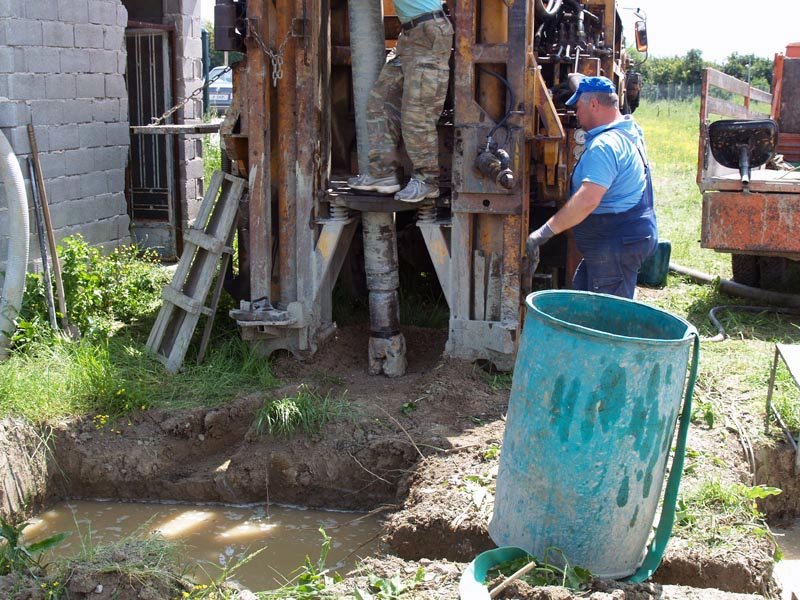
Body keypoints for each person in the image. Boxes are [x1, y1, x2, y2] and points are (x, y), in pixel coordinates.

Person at [526, 75, 657, 299]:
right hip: (620, 239)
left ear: (594, 104)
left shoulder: (605, 146)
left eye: (578, 107)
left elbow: (587, 200)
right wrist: (576, 79)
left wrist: (542, 234)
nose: (576, 115)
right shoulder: (629, 129)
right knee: (585, 297)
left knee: (607, 317)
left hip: (615, 243)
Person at [347, 4, 453, 203]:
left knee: (418, 113)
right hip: (409, 35)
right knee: (381, 104)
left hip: (428, 31)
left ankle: (427, 180)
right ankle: (383, 173)